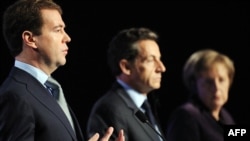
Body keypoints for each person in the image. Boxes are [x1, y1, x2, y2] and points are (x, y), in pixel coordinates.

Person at [0, 0, 124, 141]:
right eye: (58, 30)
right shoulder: (15, 96)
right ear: (30, 39)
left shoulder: (49, 89)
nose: (67, 38)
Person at [86, 27, 167, 141]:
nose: (161, 68)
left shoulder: (147, 106)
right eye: (150, 60)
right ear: (126, 67)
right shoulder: (110, 109)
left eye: (159, 59)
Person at [165, 49, 235, 141]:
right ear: (194, 84)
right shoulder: (186, 116)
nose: (217, 88)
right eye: (209, 82)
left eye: (221, 80)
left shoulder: (226, 117)